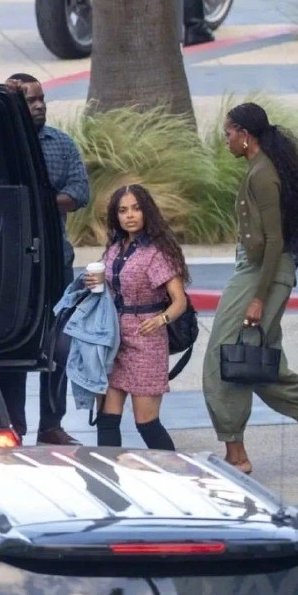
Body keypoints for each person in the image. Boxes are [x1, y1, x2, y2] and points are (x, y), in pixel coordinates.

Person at [202, 102, 298, 476]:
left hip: (261, 275)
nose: (225, 140)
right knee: (254, 364)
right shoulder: (259, 168)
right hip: (258, 271)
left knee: (223, 358)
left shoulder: (263, 174)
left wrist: (258, 297)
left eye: (228, 133)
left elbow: (274, 241)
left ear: (244, 135)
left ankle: (237, 455)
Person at [0, 73, 89, 444]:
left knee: (59, 344)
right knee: (13, 340)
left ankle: (51, 425)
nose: (38, 106)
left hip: (54, 261)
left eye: (41, 99)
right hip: (11, 263)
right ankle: (13, 425)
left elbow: (79, 192)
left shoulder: (60, 144)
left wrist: (36, 200)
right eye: (29, 100)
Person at [84, 184, 188, 450]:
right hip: (113, 337)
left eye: (136, 208)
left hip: (146, 339)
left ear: (146, 212)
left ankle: (172, 471)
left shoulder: (158, 252)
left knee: (146, 422)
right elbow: (113, 287)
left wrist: (161, 319)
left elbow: (179, 301)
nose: (129, 215)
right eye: (122, 210)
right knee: (107, 418)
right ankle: (108, 473)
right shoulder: (115, 249)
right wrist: (97, 282)